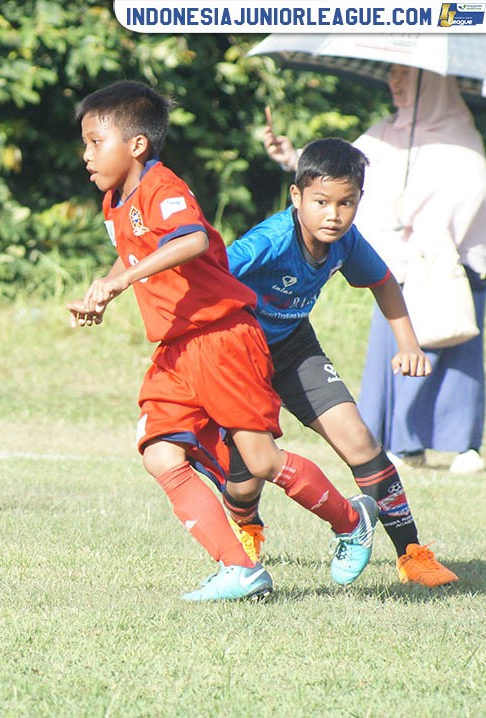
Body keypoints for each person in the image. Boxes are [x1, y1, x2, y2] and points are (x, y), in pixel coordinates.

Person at [67, 80, 377, 602]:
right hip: (177, 349)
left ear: (137, 145)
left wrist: (122, 280)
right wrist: (106, 288)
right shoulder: (114, 203)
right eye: (86, 142)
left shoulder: (163, 188)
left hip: (221, 337)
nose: (86, 154)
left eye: (97, 141)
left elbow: (188, 239)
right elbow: (139, 251)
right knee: (160, 454)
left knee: (260, 461)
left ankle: (351, 521)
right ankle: (241, 569)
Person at [228, 137, 458, 587]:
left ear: (358, 200)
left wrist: (408, 344)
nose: (333, 214)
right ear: (296, 197)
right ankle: (247, 526)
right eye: (321, 202)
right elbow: (212, 272)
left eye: (346, 202)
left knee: (360, 440)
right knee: (246, 476)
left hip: (295, 348)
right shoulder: (270, 241)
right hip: (240, 355)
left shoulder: (346, 242)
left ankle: (412, 554)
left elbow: (384, 282)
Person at [264, 66, 486, 475]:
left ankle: (461, 446)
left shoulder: (461, 136)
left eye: (407, 76)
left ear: (433, 82)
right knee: (396, 353)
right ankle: (402, 443)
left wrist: (429, 226)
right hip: (397, 261)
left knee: (450, 351)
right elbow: (337, 176)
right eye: (392, 75)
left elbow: (473, 192)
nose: (395, 83)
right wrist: (290, 154)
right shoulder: (386, 131)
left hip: (448, 264)